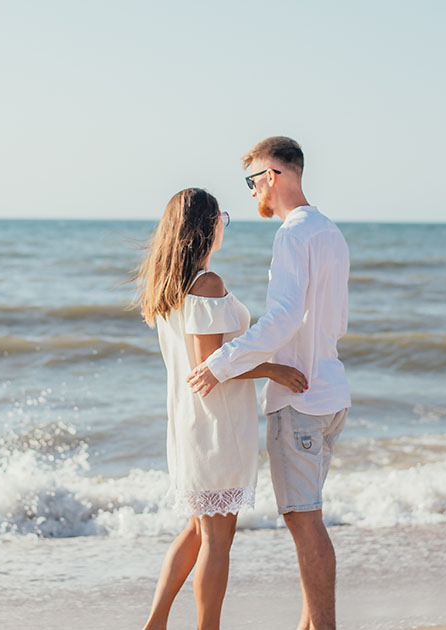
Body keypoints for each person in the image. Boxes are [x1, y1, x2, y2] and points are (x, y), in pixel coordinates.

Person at [186, 137, 350, 630]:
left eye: (254, 179)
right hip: (330, 391)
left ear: (274, 176)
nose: (253, 190)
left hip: (300, 400)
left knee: (304, 520)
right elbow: (334, 321)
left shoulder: (292, 235)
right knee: (309, 515)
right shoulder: (330, 232)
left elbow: (281, 319)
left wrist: (220, 363)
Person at [133, 187, 308, 630]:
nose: (222, 226)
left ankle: (154, 624)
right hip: (216, 425)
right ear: (205, 227)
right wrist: (273, 369)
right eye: (221, 219)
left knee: (199, 530)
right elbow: (208, 366)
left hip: (192, 421)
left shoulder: (170, 287)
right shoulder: (207, 284)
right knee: (216, 537)